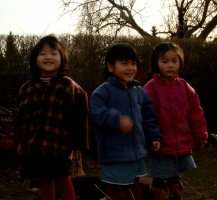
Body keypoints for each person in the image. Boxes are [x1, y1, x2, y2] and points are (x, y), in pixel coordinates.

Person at [15, 34, 89, 200]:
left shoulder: (69, 86)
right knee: (44, 179)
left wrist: (77, 144)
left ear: (62, 59)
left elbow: (79, 117)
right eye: (42, 54)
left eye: (53, 53)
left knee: (63, 178)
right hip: (35, 145)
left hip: (59, 146)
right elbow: (22, 118)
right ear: (35, 59)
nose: (48, 57)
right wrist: (21, 140)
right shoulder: (26, 88)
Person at [90, 43, 161, 200]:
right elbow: (96, 114)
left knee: (135, 186)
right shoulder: (103, 91)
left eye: (133, 63)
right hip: (114, 152)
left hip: (136, 152)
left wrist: (153, 137)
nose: (130, 68)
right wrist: (117, 120)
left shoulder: (139, 92)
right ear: (110, 67)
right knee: (115, 188)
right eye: (124, 63)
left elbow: (149, 117)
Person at [143, 42, 208, 200]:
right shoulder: (150, 88)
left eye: (175, 61)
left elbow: (195, 113)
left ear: (180, 63)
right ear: (156, 63)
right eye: (165, 61)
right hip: (160, 144)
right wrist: (151, 138)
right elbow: (145, 116)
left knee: (174, 181)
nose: (170, 65)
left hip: (180, 144)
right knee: (159, 182)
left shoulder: (185, 87)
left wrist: (200, 136)